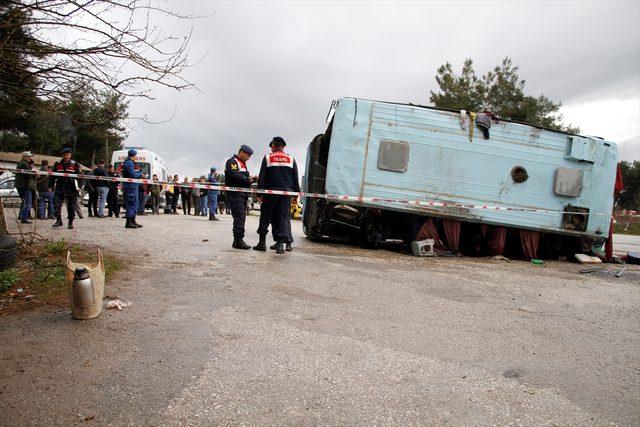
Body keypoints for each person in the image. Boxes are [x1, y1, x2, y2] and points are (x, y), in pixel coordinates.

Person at [253, 136, 300, 254]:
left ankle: (262, 243)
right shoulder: (291, 158)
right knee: (283, 218)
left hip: (270, 192)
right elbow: (295, 177)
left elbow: (262, 176)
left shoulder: (268, 157)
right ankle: (280, 246)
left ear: (273, 145)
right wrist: (296, 193)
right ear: (283, 146)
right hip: (286, 193)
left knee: (265, 216)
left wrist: (260, 192)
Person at [225, 144, 256, 249]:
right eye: (248, 155)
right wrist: (247, 179)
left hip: (242, 194)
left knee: (241, 217)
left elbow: (243, 178)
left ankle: (237, 241)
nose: (249, 157)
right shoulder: (233, 161)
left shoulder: (242, 163)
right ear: (241, 152)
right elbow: (233, 175)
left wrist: (252, 179)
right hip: (235, 194)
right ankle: (238, 240)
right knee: (239, 217)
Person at [51, 147, 81, 229]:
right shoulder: (57, 163)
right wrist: (50, 186)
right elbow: (52, 176)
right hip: (59, 187)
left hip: (71, 187)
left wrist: (79, 186)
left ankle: (70, 222)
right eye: (64, 155)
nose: (66, 156)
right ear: (62, 155)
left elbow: (80, 177)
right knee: (56, 203)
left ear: (70, 155)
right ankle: (58, 220)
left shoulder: (75, 164)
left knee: (71, 206)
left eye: (67, 155)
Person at [122, 148, 142, 228]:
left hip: (133, 186)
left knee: (135, 203)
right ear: (134, 155)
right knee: (131, 203)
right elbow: (132, 175)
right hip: (130, 186)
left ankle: (133, 220)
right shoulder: (129, 163)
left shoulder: (129, 162)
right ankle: (128, 222)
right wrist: (140, 173)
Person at [15, 151, 35, 224]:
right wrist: (35, 174)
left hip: (20, 185)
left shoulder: (20, 163)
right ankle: (24, 218)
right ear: (24, 157)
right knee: (27, 202)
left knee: (24, 201)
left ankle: (21, 216)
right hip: (24, 186)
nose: (30, 158)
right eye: (28, 156)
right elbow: (28, 175)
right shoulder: (25, 164)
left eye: (30, 156)